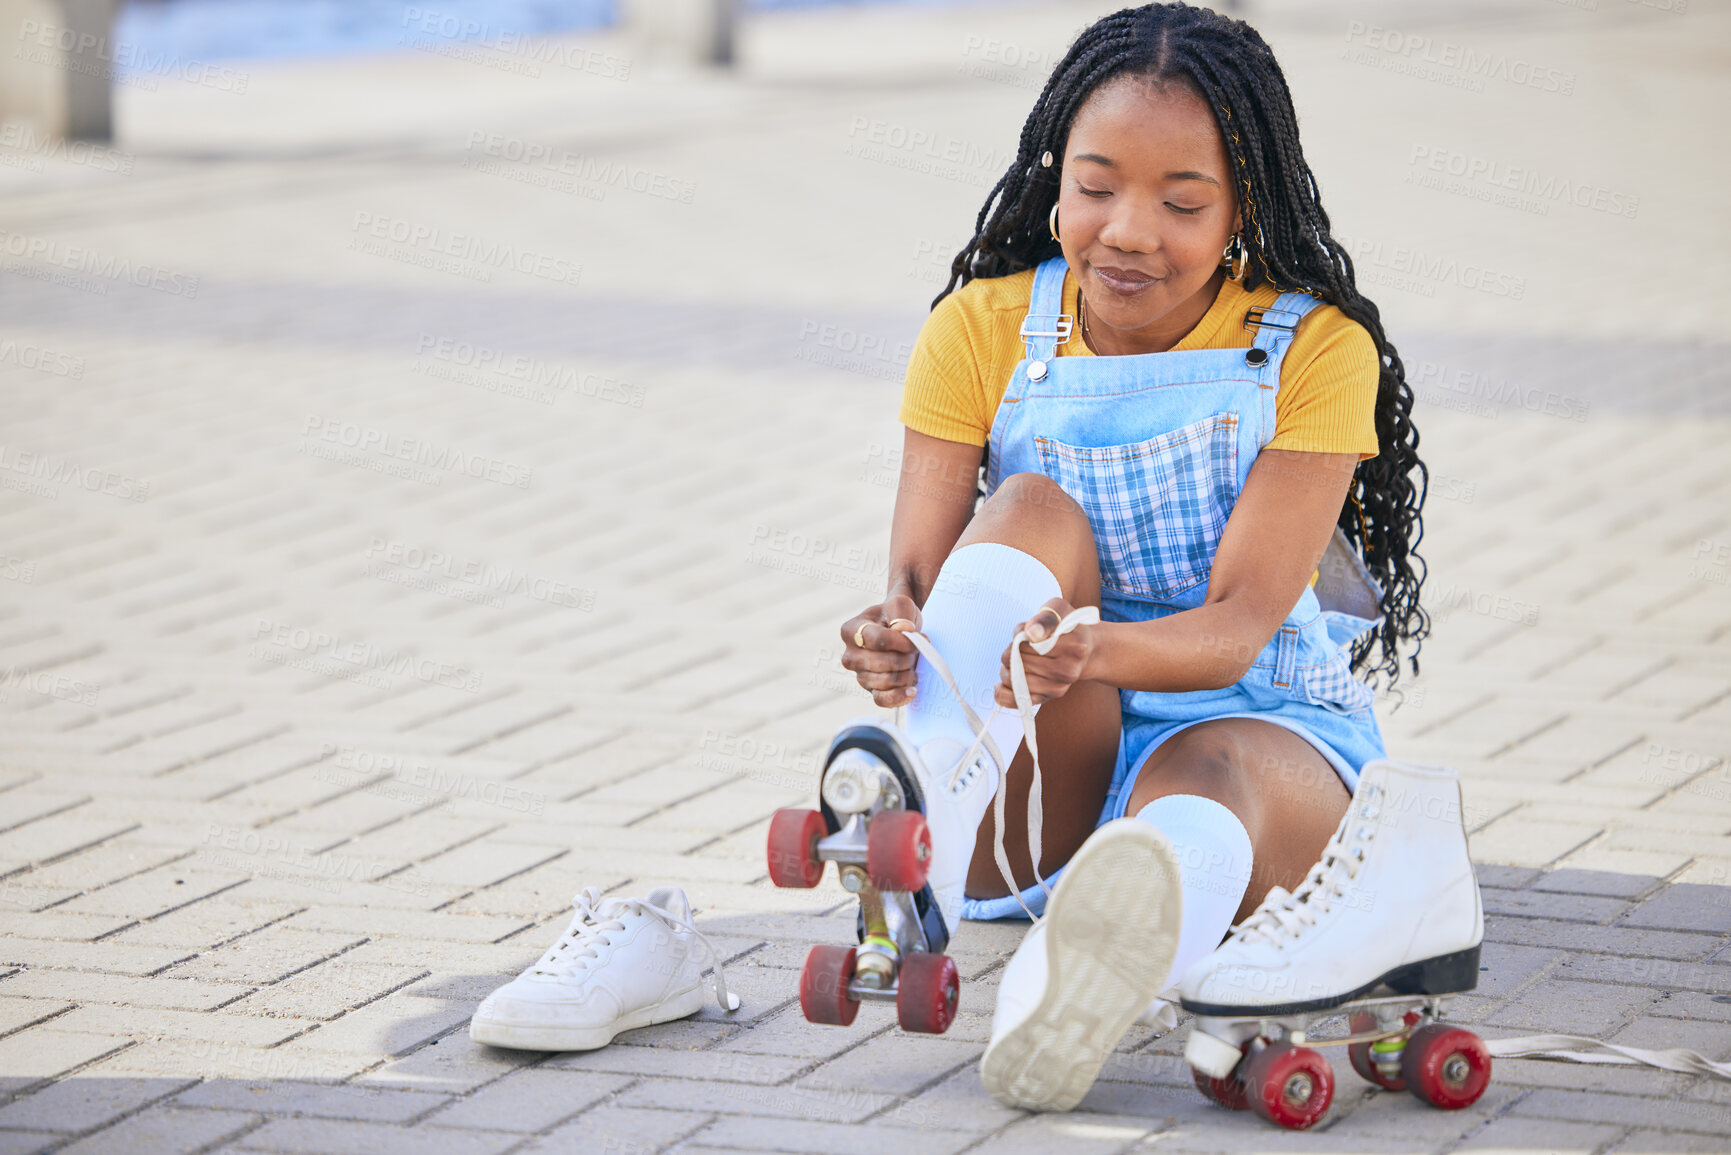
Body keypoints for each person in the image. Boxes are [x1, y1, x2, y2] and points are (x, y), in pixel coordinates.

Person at [827, 1, 1479, 1113]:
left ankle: (1069, 982)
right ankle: (918, 821)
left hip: (1258, 728)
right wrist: (895, 639)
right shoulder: (980, 329)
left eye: (1182, 202)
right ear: (1056, 178)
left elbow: (1241, 622)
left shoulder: (1315, 350)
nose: (1128, 231)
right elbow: (924, 591)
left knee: (1202, 779)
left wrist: (1095, 648)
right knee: (1028, 505)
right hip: (1037, 765)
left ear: (1242, 209)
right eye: (1094, 188)